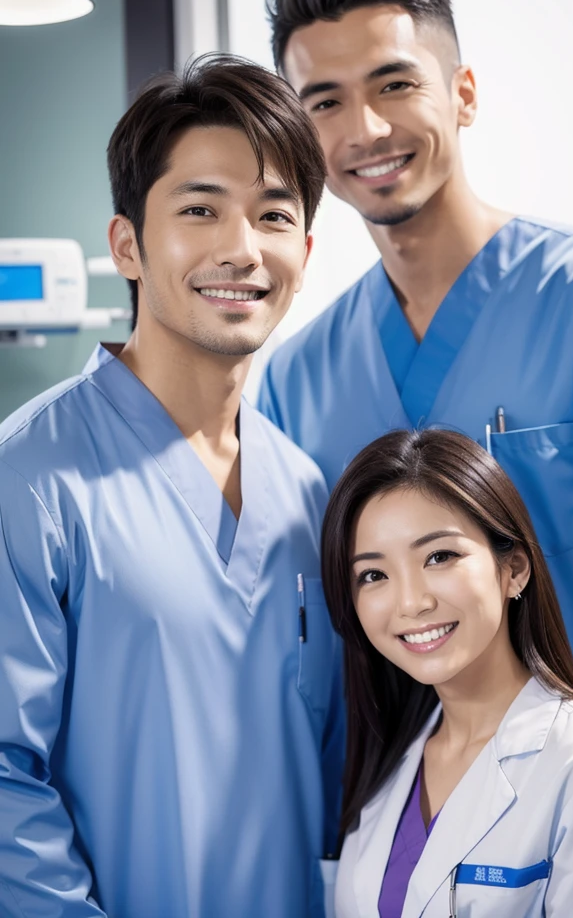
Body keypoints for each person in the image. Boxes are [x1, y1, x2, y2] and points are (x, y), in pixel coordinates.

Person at [258, 0, 573, 756]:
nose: (367, 129)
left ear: (464, 94)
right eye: (325, 102)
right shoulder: (294, 378)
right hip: (404, 847)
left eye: (395, 84)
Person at [0, 55, 343, 917]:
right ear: (128, 245)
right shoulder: (33, 476)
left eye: (273, 215)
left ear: (303, 252)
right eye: (200, 210)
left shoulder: (306, 491)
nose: (242, 248)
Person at [320, 428, 573, 917]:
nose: (411, 602)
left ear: (514, 570)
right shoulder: (387, 766)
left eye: (439, 556)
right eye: (374, 575)